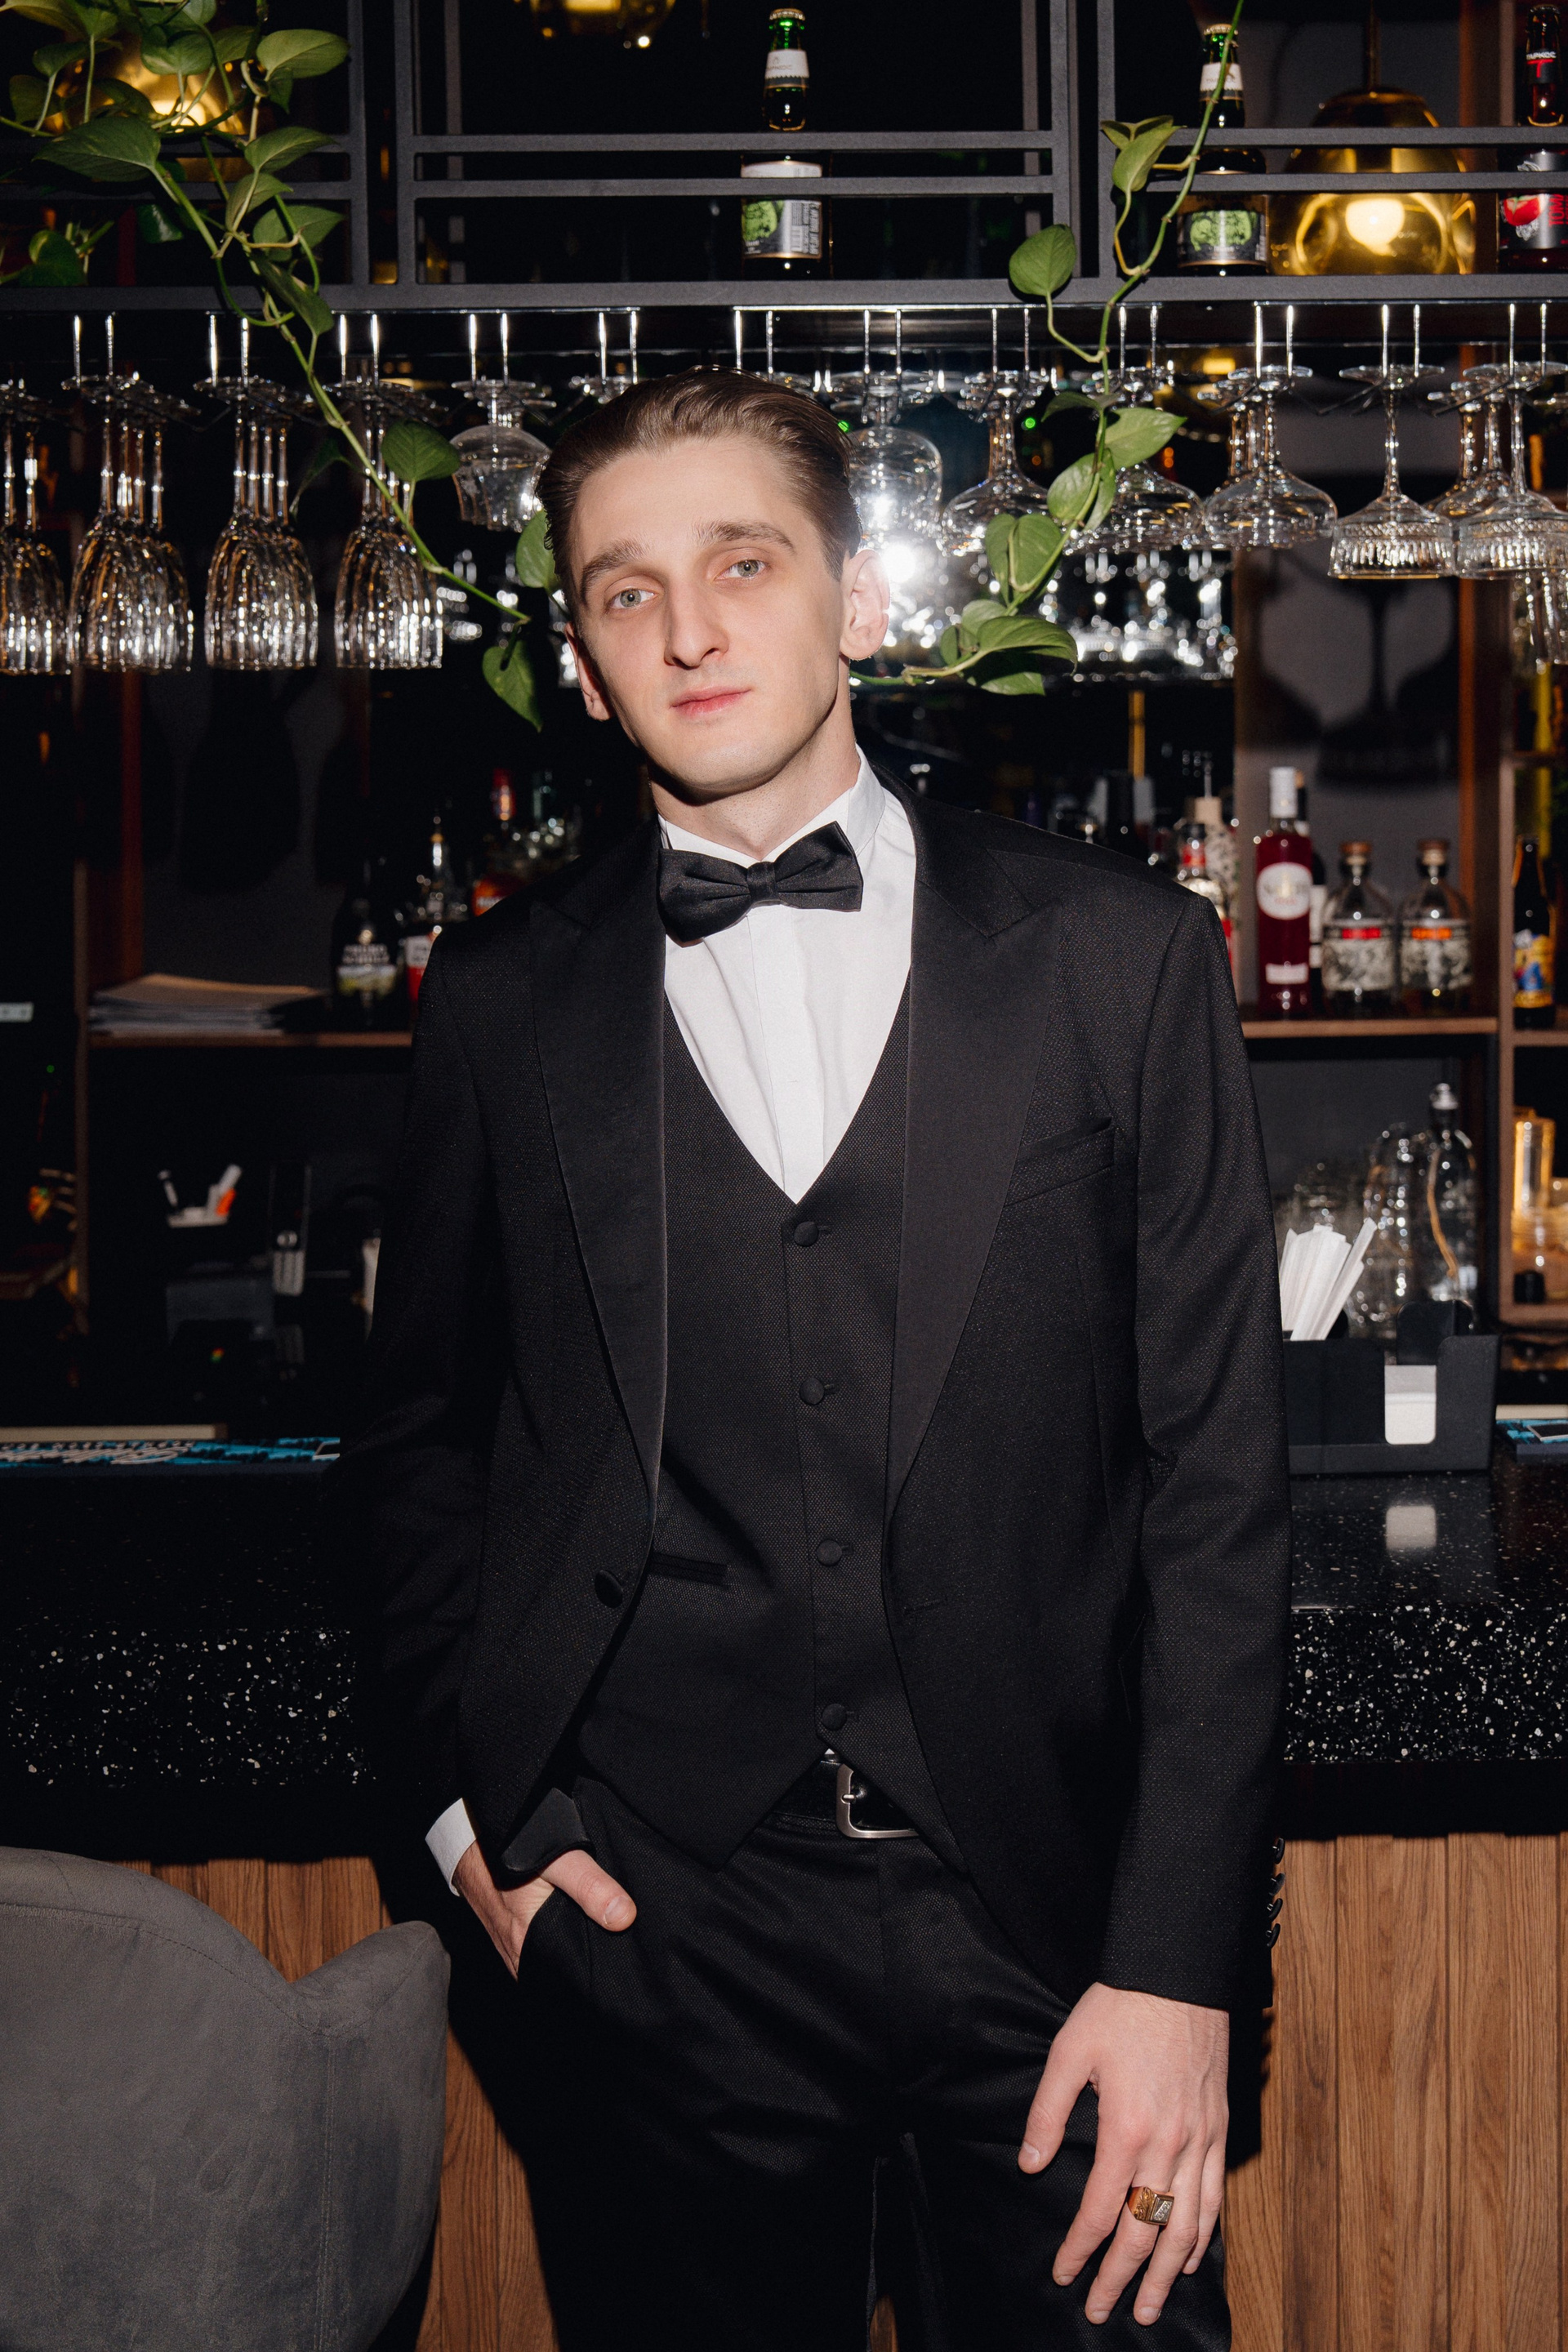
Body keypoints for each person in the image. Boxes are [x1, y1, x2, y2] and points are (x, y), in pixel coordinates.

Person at [350, 369, 1290, 2351]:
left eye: (744, 564)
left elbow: (1216, 1499)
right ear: (584, 666)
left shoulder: (1122, 960)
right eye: (625, 591)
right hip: (665, 1937)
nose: (687, 629)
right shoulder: (502, 1000)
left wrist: (1177, 1964)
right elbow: (420, 1440)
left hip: (1059, 1932)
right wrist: (467, 1825)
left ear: (860, 601)